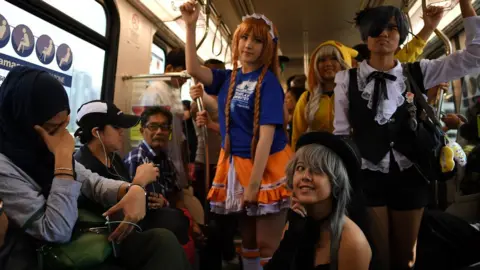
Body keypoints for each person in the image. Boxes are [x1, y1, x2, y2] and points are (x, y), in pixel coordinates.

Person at [333, 2, 480, 269]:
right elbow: (341, 134)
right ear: (366, 36)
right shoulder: (346, 80)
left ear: (400, 35)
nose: (384, 34)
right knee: (379, 256)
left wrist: (465, 4)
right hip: (368, 175)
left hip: (411, 174)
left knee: (407, 258)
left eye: (392, 28)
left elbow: (475, 56)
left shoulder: (419, 71)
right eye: (377, 28)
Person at [0, 66, 190, 270]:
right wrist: (64, 160)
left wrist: (132, 189)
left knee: (164, 240)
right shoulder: (6, 167)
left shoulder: (47, 150)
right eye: (52, 129)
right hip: (45, 254)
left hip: (79, 238)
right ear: (25, 123)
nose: (64, 136)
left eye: (65, 125)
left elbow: (93, 183)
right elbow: (56, 230)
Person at [182, 2, 292, 269]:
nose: (249, 45)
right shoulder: (229, 78)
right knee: (249, 241)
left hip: (266, 168)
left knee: (268, 244)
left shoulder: (269, 84)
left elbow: (266, 137)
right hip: (237, 165)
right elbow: (193, 69)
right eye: (244, 37)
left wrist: (254, 185)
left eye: (257, 40)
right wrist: (189, 25)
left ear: (268, 47)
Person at [264, 131, 371, 270]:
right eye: (300, 168)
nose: (305, 176)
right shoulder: (294, 224)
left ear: (336, 182)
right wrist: (291, 239)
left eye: (317, 170)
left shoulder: (352, 241)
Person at [291, 40, 357, 149]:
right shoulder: (307, 98)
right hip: (315, 160)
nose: (327, 64)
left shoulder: (355, 95)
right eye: (322, 60)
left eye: (333, 58)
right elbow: (297, 137)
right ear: (315, 66)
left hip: (348, 159)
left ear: (342, 62)